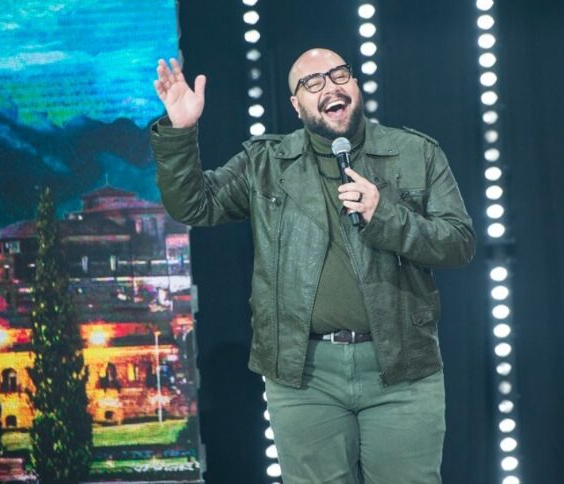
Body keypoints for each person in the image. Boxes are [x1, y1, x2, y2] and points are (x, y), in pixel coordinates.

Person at [151, 48, 475, 484]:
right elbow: (194, 204)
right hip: (304, 375)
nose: (331, 87)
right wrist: (180, 131)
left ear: (356, 87)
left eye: (339, 75)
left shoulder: (415, 153)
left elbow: (459, 243)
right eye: (313, 83)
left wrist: (386, 217)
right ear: (296, 105)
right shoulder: (265, 163)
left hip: (401, 369)